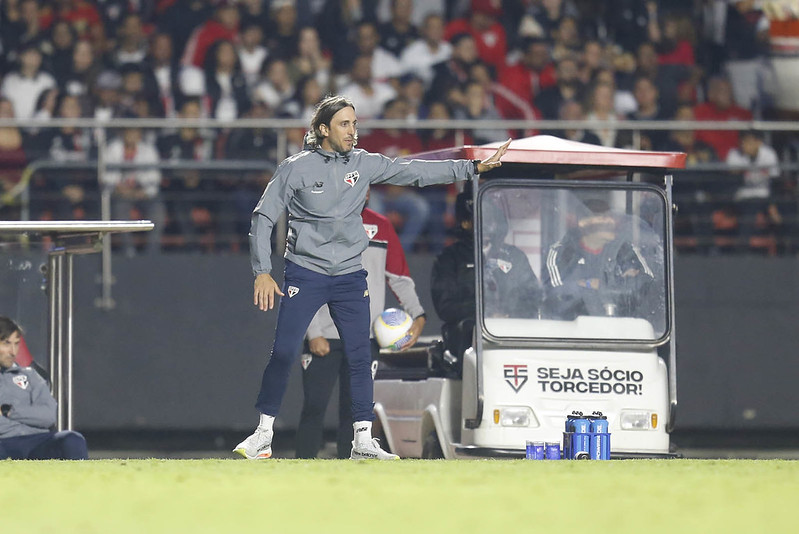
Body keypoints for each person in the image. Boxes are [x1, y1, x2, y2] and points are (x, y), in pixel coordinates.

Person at [234, 95, 510, 461]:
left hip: (349, 275)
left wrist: (472, 168)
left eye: (354, 124)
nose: (353, 131)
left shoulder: (363, 163)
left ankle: (362, 442)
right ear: (323, 129)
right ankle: (262, 435)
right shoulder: (294, 168)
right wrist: (262, 271)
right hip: (306, 271)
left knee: (361, 358)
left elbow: (415, 172)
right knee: (283, 351)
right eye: (344, 124)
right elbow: (263, 217)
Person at [295, 190, 426, 459]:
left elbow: (399, 276)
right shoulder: (318, 224)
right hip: (325, 336)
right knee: (314, 406)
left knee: (355, 412)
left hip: (364, 338)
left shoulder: (382, 227)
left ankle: (350, 471)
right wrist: (313, 332)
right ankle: (301, 467)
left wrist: (418, 314)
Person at [431, 186, 542, 369]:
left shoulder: (514, 256)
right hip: (469, 339)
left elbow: (533, 296)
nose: (486, 223)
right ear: (464, 223)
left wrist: (509, 316)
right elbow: (446, 306)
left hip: (513, 334)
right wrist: (486, 314)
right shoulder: (449, 259)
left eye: (489, 216)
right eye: (475, 218)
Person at [541, 199, 657, 321]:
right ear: (583, 223)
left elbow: (645, 286)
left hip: (621, 328)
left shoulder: (625, 250)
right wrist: (617, 285)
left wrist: (591, 284)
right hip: (572, 329)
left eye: (611, 217)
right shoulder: (562, 252)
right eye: (602, 217)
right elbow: (557, 295)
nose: (610, 222)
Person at [0, 317, 88, 460]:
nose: (13, 352)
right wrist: (29, 416)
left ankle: (82, 476)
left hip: (37, 441)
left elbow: (48, 415)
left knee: (72, 439)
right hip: (3, 443)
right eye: (6, 343)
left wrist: (8, 411)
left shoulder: (30, 376)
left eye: (16, 344)